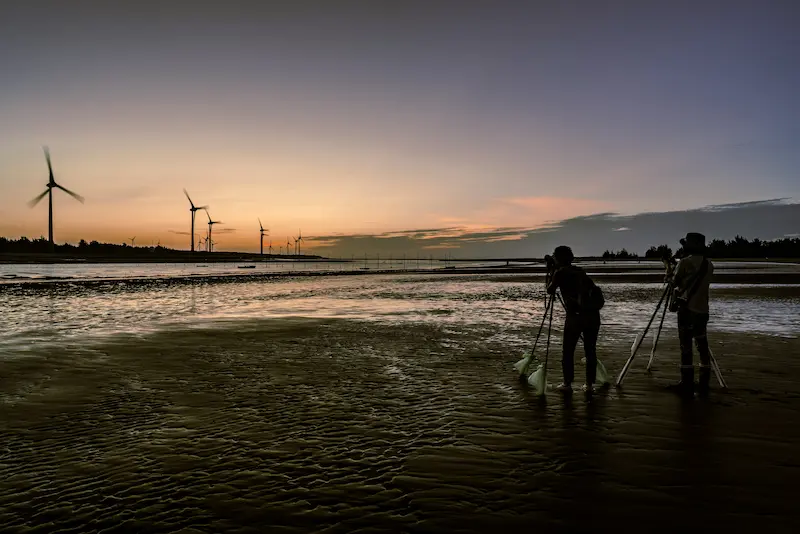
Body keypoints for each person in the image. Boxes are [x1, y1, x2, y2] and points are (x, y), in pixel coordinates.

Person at [546, 245, 602, 393]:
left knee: (568, 350)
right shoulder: (579, 271)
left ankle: (567, 384)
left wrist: (551, 271)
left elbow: (550, 290)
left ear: (558, 258)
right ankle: (590, 385)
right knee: (590, 350)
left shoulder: (560, 272)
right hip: (593, 316)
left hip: (575, 317)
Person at [670, 232, 714, 397]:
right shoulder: (709, 264)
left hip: (687, 310)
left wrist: (670, 269)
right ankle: (704, 383)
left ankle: (687, 383)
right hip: (703, 310)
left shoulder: (685, 263)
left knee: (686, 346)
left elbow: (673, 282)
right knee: (702, 344)